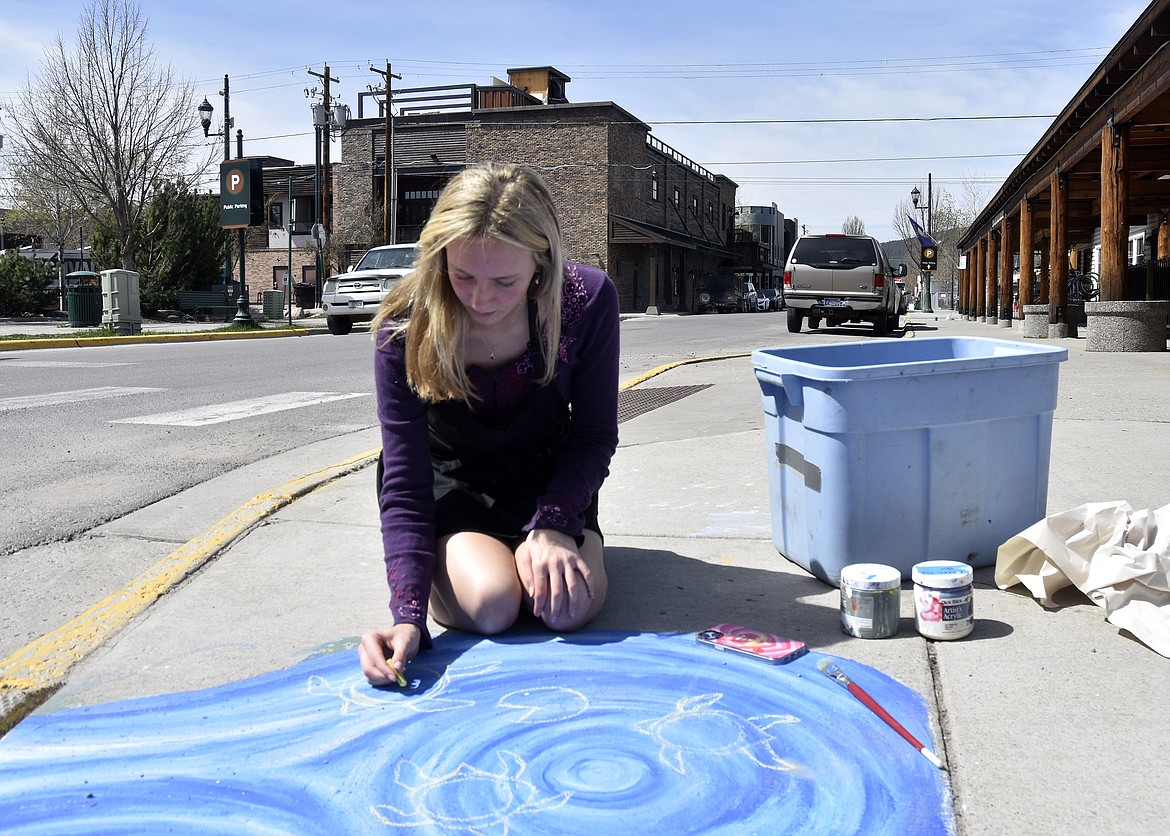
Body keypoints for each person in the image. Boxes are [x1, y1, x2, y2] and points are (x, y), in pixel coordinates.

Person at [359, 163, 620, 687]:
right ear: (440, 259)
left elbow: (593, 436)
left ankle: (534, 546)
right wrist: (407, 614)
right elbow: (406, 483)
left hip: (548, 476)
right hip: (450, 480)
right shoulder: (406, 326)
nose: (480, 300)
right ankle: (464, 563)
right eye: (463, 277)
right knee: (495, 604)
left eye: (504, 280)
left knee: (568, 607)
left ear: (540, 264)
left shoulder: (586, 303)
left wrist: (554, 523)